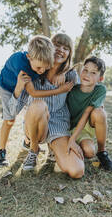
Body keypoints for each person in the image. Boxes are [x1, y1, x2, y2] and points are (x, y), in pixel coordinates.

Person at [9, 33, 84, 177]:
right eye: (57, 45)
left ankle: (53, 147)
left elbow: (83, 97)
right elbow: (13, 110)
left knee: (77, 170)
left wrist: (74, 138)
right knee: (38, 105)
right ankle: (33, 149)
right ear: (48, 47)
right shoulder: (33, 71)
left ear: (69, 54)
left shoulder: (71, 75)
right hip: (35, 122)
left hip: (58, 124)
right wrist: (18, 87)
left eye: (66, 48)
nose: (61, 50)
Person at [0, 35, 72, 167]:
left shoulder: (40, 61)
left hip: (25, 85)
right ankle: (1, 151)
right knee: (9, 120)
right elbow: (33, 93)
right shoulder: (24, 67)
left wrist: (62, 72)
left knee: (34, 110)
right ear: (29, 58)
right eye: (39, 69)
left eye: (45, 68)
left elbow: (61, 64)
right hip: (8, 87)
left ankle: (28, 139)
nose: (42, 71)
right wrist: (60, 90)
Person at [66, 56, 112, 172]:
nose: (87, 75)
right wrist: (70, 138)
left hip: (84, 128)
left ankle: (102, 153)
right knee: (85, 151)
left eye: (93, 72)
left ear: (101, 78)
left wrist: (73, 139)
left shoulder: (100, 90)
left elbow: (87, 112)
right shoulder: (71, 89)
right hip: (68, 128)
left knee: (100, 113)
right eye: (85, 70)